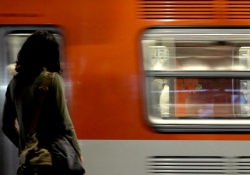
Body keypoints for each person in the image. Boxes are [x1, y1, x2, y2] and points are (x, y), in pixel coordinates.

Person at [1, 31, 84, 174]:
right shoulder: (52, 80)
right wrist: (77, 153)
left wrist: (26, 147)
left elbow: (6, 126)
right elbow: (65, 123)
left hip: (29, 165)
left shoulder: (14, 83)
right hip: (52, 161)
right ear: (51, 54)